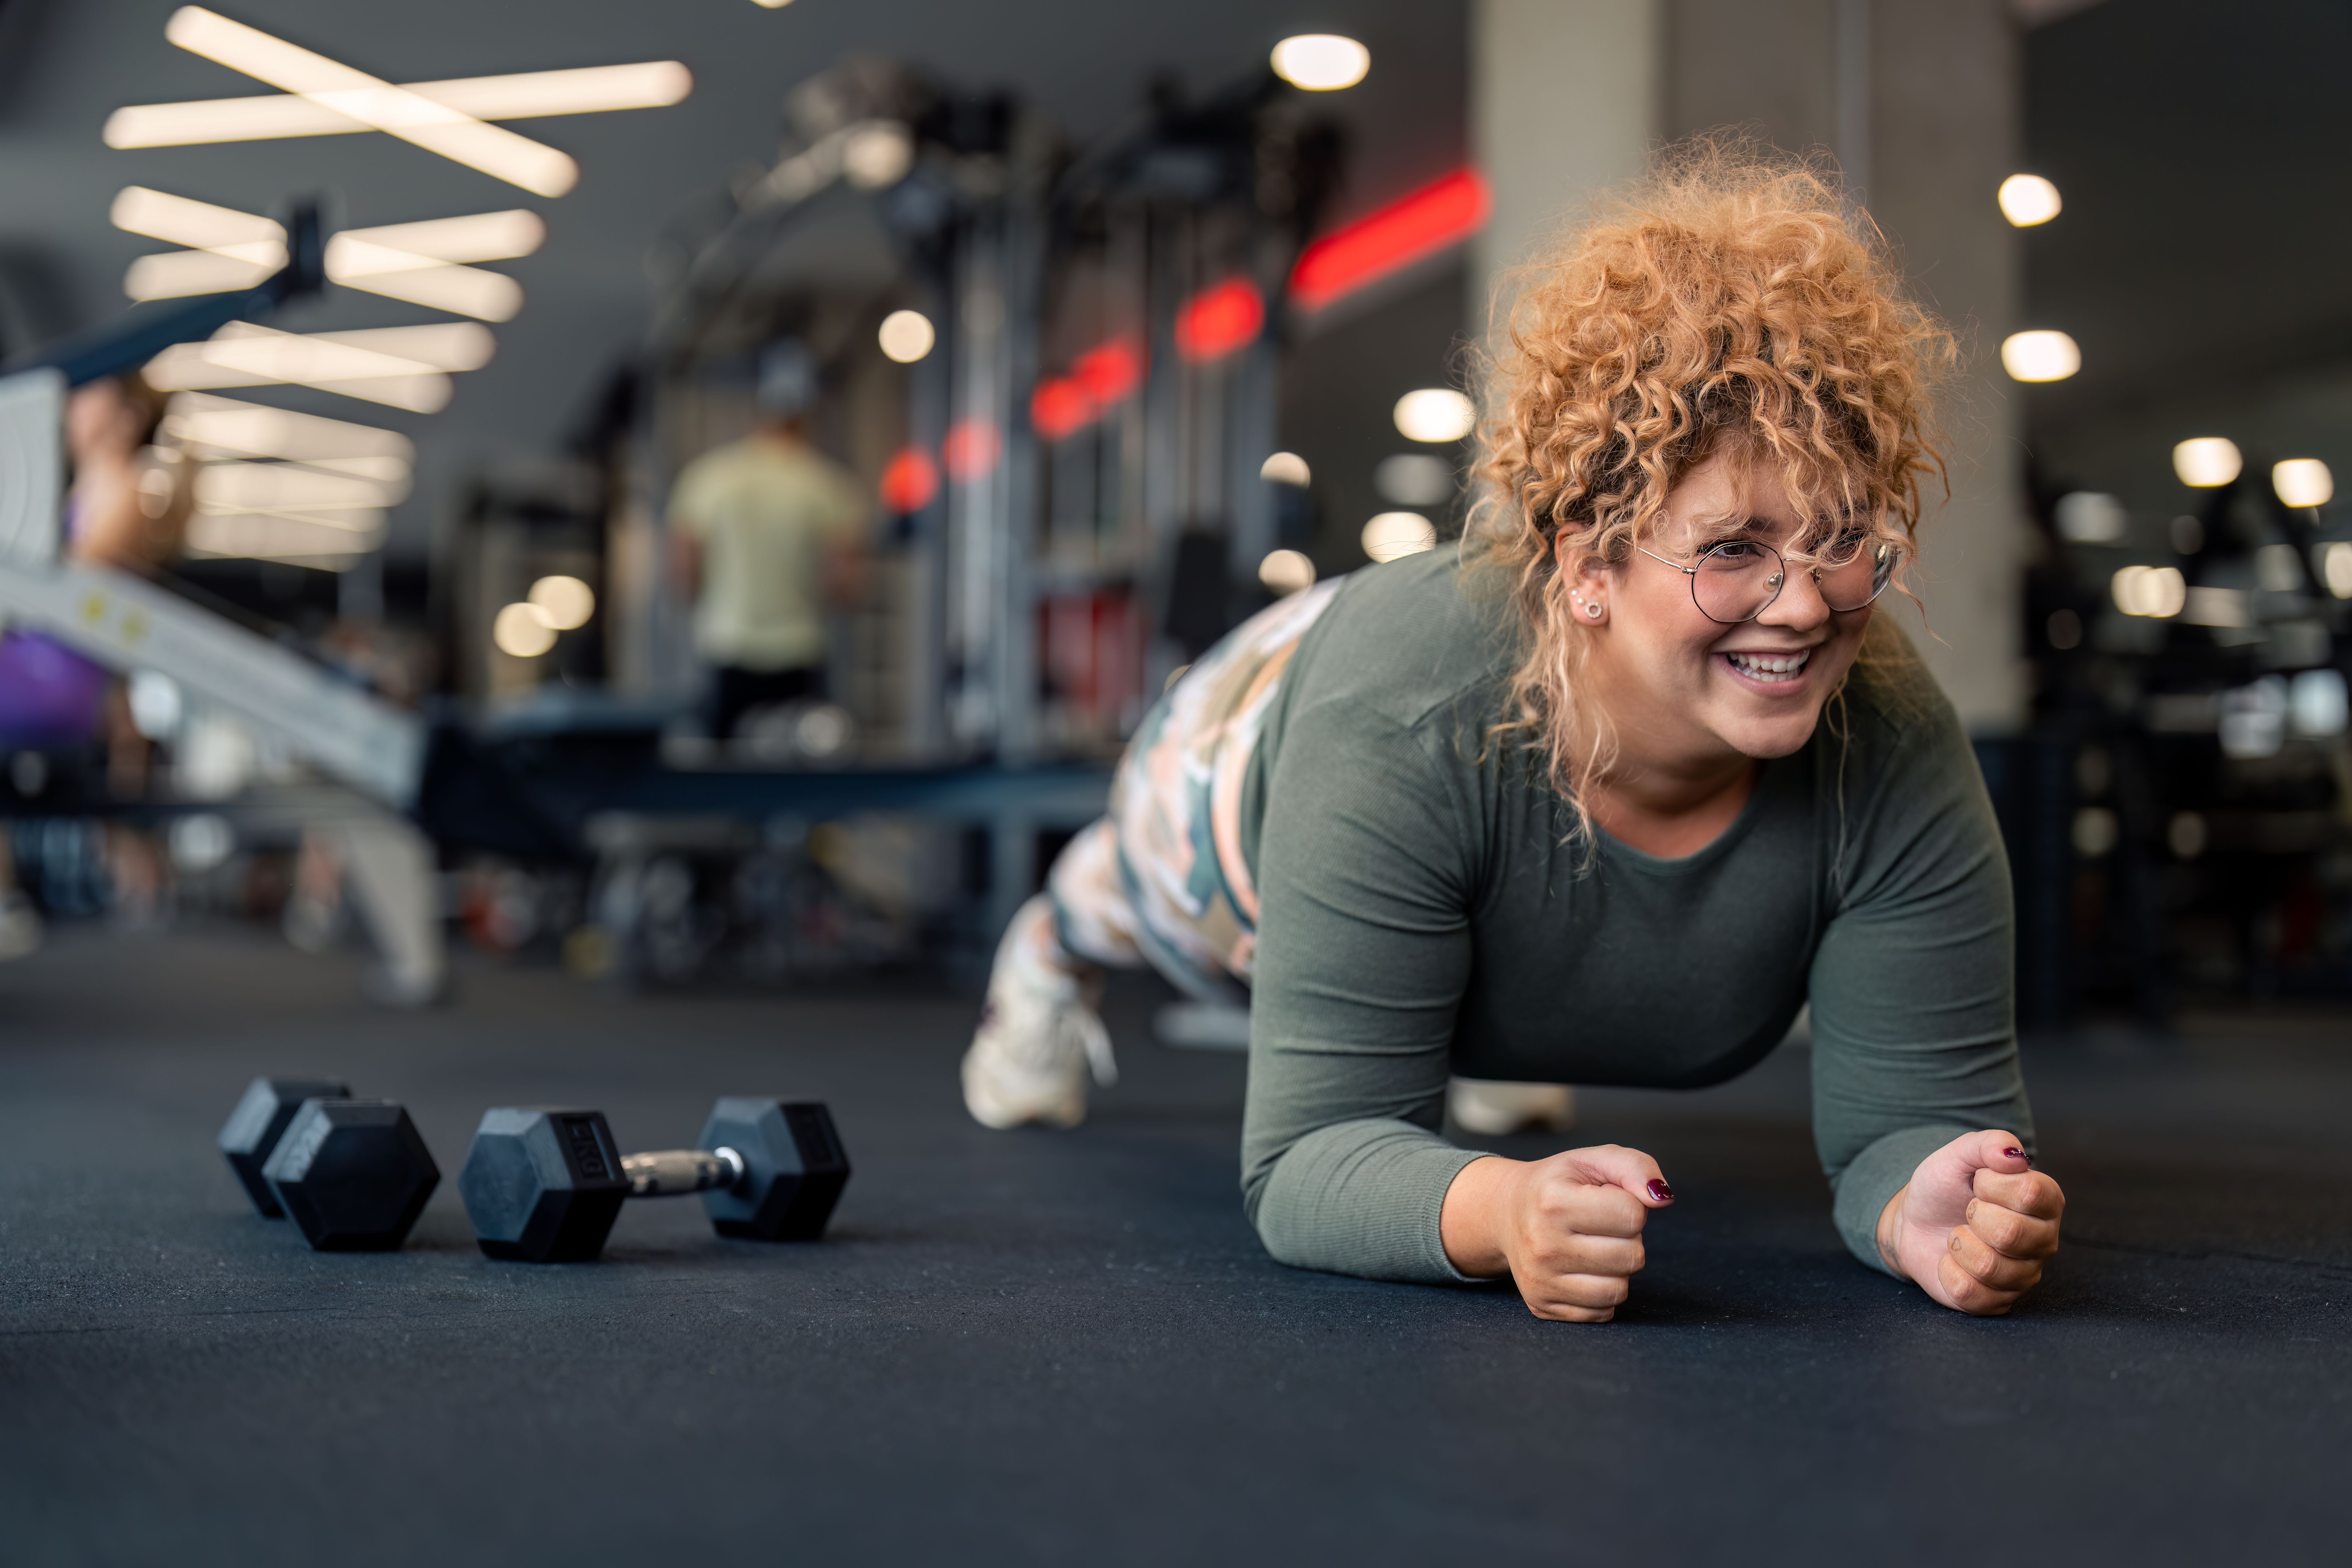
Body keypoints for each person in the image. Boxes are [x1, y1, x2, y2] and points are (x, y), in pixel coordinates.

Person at [959, 148, 2067, 1322]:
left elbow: (1911, 1119)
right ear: (1590, 569)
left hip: (1478, 806)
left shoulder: (1888, 728)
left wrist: (1925, 1200)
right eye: (1733, 548)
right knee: (1127, 894)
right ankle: (1046, 953)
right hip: (1266, 734)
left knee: (1464, 979)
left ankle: (1481, 1034)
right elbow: (1308, 1158)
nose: (1803, 606)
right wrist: (1498, 1211)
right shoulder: (1397, 717)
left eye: (1841, 538)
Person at [667, 341, 869, 740]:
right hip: (800, 648)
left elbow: (683, 570)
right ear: (808, 417)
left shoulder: (708, 479)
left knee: (722, 769)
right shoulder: (828, 486)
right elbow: (844, 582)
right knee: (798, 767)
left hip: (725, 643)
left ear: (758, 414)